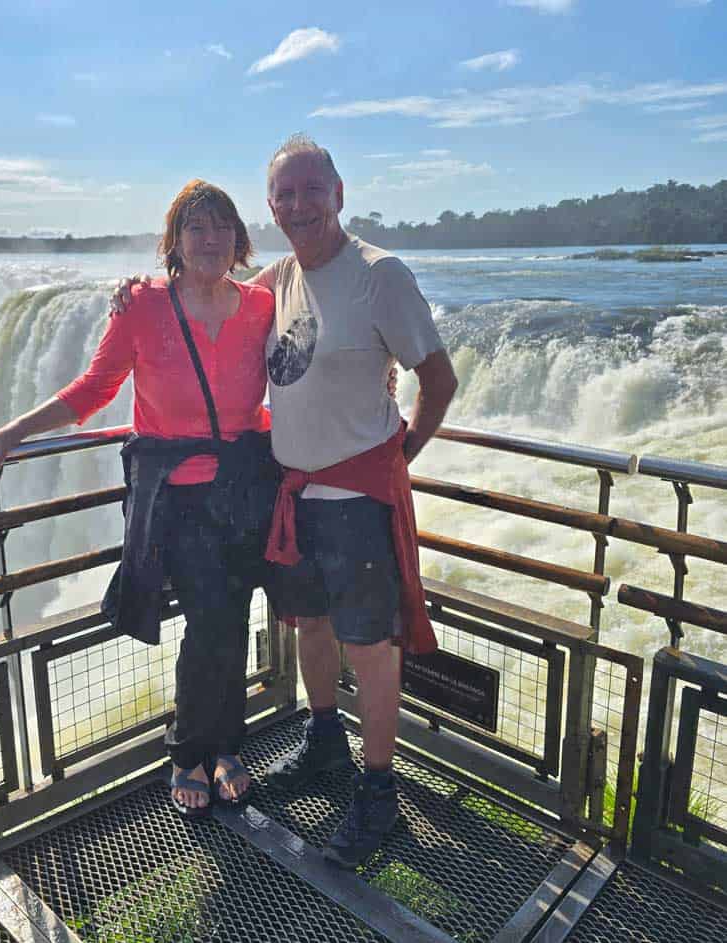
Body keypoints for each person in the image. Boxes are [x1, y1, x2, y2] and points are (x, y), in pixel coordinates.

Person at [0, 180, 278, 818]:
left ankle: (221, 747)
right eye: (196, 228)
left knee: (231, 616)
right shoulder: (143, 305)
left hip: (244, 489)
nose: (210, 239)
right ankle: (191, 752)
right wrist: (14, 432)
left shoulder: (261, 304)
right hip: (176, 496)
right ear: (174, 242)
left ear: (239, 240)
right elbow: (96, 386)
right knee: (210, 621)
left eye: (222, 227)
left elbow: (302, 364)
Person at [256, 134, 458, 868]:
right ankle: (324, 742)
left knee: (371, 646)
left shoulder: (380, 275)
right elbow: (207, 294)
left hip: (355, 503)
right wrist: (142, 289)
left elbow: (439, 380)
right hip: (296, 497)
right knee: (311, 624)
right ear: (272, 207)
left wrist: (397, 459)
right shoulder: (277, 278)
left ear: (339, 195)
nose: (300, 205)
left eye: (313, 189)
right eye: (286, 194)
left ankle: (379, 791)